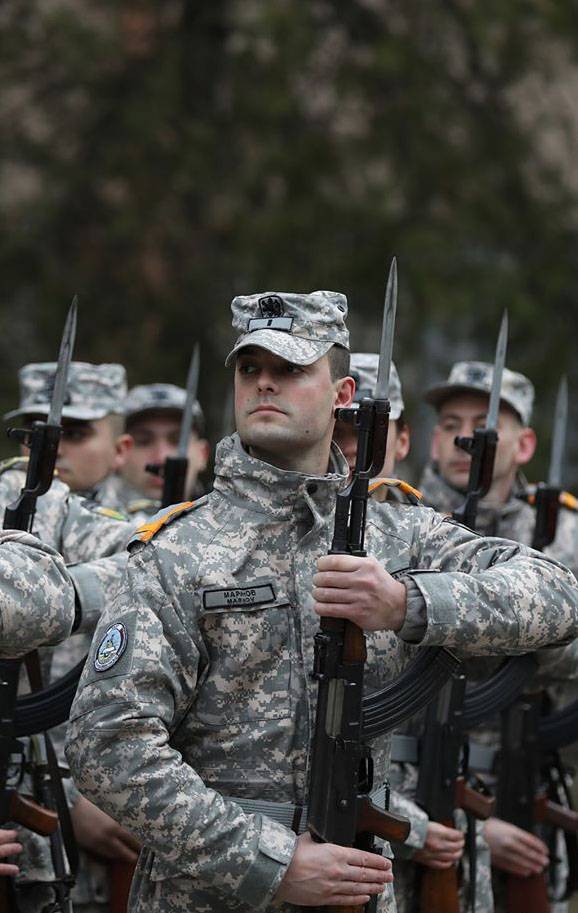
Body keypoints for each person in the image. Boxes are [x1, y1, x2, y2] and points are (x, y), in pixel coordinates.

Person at [66, 291, 578, 913]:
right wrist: (268, 863)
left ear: (342, 395)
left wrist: (405, 602)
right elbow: (107, 744)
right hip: (208, 894)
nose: (264, 385)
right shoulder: (178, 550)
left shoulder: (398, 532)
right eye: (249, 369)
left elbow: (557, 593)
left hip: (358, 887)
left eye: (289, 370)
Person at [421, 361, 578, 913]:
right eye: (449, 423)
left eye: (485, 424)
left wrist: (452, 620)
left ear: (525, 443)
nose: (465, 438)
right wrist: (524, 624)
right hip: (417, 781)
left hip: (524, 778)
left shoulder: (566, 533)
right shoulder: (402, 519)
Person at [4, 360, 132, 500]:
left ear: (120, 450)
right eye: (37, 433)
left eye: (75, 435)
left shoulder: (143, 521)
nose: (53, 450)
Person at [110, 382, 209, 518]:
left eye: (178, 442)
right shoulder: (87, 525)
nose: (161, 457)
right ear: (119, 452)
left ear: (203, 454)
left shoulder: (230, 524)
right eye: (143, 441)